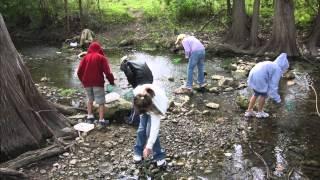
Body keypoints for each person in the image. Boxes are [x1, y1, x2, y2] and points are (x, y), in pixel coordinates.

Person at [77, 42, 115, 125]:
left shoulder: (85, 58)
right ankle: (101, 120)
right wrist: (111, 82)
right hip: (98, 82)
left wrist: (82, 81)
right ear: (99, 49)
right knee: (101, 102)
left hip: (86, 83)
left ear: (89, 49)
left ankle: (90, 117)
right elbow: (108, 72)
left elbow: (79, 72)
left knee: (90, 100)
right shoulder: (102, 58)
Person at [133, 84, 168, 167]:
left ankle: (159, 156)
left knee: (149, 132)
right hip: (144, 104)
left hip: (155, 105)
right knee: (141, 129)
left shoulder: (158, 106)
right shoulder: (138, 95)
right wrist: (142, 113)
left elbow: (154, 130)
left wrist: (148, 147)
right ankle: (138, 152)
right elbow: (140, 107)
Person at [245, 53, 289, 118]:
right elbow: (274, 85)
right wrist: (277, 98)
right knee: (263, 94)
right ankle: (260, 112)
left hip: (253, 73)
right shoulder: (277, 69)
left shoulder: (272, 64)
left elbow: (268, 78)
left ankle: (249, 111)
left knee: (256, 93)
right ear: (283, 66)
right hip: (260, 77)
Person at [120, 56, 153, 125]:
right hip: (150, 79)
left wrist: (136, 89)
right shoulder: (133, 63)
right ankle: (144, 116)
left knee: (136, 101)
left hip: (142, 82)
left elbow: (132, 80)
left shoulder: (126, 68)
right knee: (145, 99)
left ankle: (133, 120)